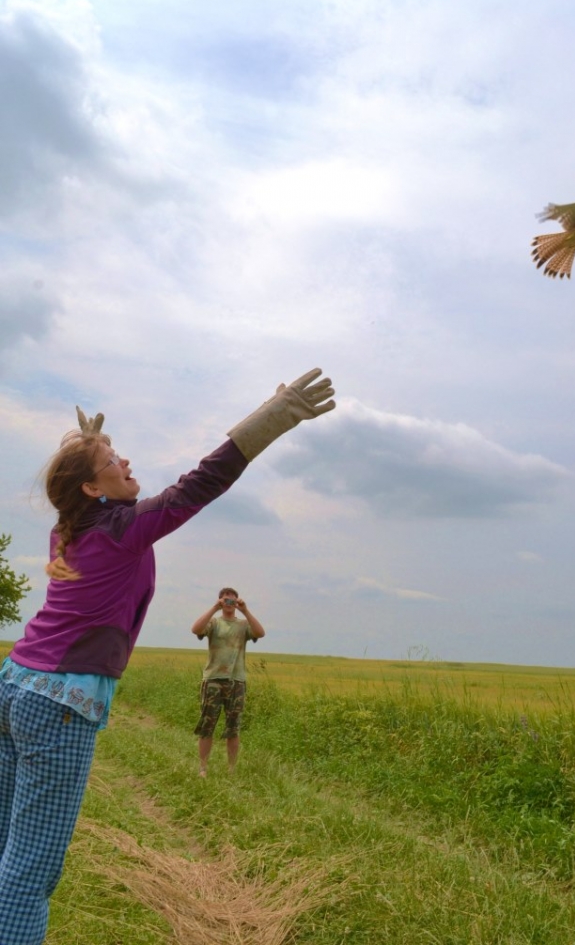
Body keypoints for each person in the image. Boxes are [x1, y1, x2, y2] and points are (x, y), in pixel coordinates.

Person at [0, 368, 335, 945]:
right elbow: (200, 484)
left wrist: (83, 448)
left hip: (14, 684)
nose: (128, 464)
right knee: (29, 875)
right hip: (59, 704)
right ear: (90, 489)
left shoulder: (67, 531)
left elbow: (75, 494)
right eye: (114, 461)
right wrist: (273, 418)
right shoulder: (123, 527)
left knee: (8, 846)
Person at [192, 587, 264, 775]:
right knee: (207, 725)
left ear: (237, 601)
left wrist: (245, 611)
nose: (229, 603)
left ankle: (231, 769)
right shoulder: (214, 622)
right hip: (213, 679)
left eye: (233, 600)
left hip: (236, 681)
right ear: (220, 601)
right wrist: (214, 608)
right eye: (226, 600)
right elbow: (195, 629)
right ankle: (203, 768)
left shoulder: (242, 625)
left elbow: (260, 633)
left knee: (233, 727)